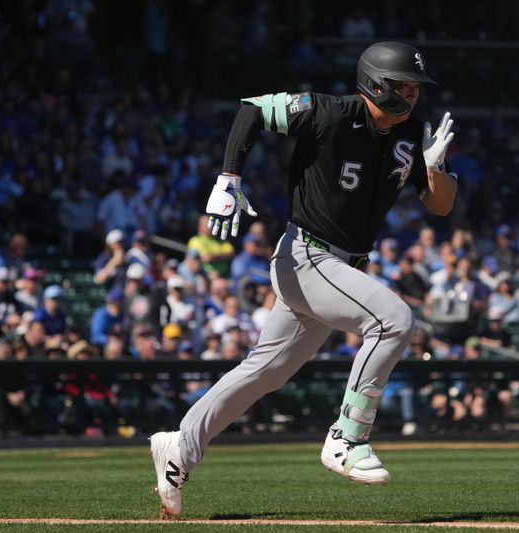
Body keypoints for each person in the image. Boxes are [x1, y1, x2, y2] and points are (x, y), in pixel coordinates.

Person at [150, 41, 457, 517]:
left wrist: (434, 166)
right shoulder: (331, 112)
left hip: (342, 268)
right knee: (394, 319)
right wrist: (228, 178)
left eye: (416, 87)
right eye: (404, 85)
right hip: (306, 257)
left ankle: (179, 446)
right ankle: (347, 435)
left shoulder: (409, 132)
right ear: (376, 81)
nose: (413, 95)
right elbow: (252, 110)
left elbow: (439, 205)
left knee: (264, 373)